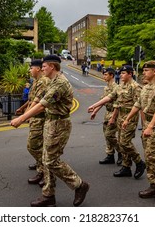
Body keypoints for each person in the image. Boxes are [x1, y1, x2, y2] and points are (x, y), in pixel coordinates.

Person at [11, 55, 90, 207]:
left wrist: (21, 119)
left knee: (51, 161)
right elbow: (37, 99)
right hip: (51, 122)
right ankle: (48, 195)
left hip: (59, 124)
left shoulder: (60, 83)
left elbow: (42, 105)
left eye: (44, 66)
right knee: (47, 160)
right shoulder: (52, 81)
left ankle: (79, 185)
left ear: (52, 67)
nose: (42, 69)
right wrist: (24, 111)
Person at [122, 60, 155, 203]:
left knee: (152, 156)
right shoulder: (146, 87)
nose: (143, 73)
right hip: (147, 125)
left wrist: (150, 126)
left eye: (146, 70)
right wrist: (127, 118)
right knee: (147, 155)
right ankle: (153, 184)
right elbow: (138, 104)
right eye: (143, 70)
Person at [88, 65, 146, 179]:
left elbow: (140, 106)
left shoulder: (135, 87)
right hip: (120, 116)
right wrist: (94, 106)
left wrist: (144, 125)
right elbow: (110, 99)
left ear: (130, 74)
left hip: (130, 117)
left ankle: (139, 162)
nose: (121, 75)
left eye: (123, 73)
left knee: (125, 142)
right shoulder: (120, 86)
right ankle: (126, 167)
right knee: (120, 142)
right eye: (120, 73)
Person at [15, 59, 50, 187]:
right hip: (34, 116)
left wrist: (23, 117)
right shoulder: (35, 81)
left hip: (40, 118)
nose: (29, 70)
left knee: (34, 146)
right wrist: (23, 108)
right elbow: (31, 99)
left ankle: (45, 171)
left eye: (31, 68)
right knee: (37, 146)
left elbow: (38, 101)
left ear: (38, 69)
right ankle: (42, 169)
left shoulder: (43, 82)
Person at [88, 68, 122, 165]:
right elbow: (103, 101)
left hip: (114, 113)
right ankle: (110, 155)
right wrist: (95, 111)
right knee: (106, 135)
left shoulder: (116, 87)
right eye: (104, 74)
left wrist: (113, 117)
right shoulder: (106, 88)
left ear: (112, 75)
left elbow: (117, 104)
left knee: (109, 134)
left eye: (106, 74)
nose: (104, 76)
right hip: (107, 113)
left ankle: (121, 153)